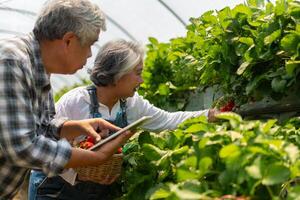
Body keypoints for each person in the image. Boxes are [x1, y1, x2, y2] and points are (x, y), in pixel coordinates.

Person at [28, 39, 219, 200]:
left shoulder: (132, 104)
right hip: (54, 189)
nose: (141, 80)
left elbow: (168, 120)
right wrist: (79, 173)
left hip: (96, 191)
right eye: (138, 73)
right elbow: (43, 148)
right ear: (119, 74)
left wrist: (208, 115)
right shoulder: (75, 102)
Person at [0, 1, 135, 199]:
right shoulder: (12, 62)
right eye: (89, 44)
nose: (90, 54)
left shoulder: (39, 69)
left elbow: (42, 127)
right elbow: (22, 147)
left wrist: (75, 127)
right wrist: (94, 157)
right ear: (68, 40)